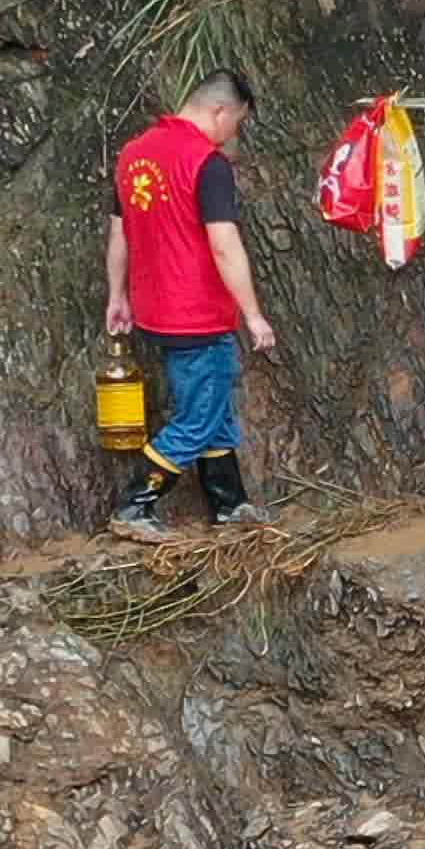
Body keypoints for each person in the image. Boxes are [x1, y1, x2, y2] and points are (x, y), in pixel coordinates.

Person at [102, 70, 273, 542]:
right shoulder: (206, 162)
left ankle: (229, 504)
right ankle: (136, 504)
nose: (233, 134)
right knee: (198, 417)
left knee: (212, 408)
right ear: (220, 111)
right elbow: (224, 244)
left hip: (156, 310)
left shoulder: (135, 154)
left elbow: (120, 232)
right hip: (198, 313)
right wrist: (254, 314)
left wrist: (117, 296)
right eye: (236, 123)